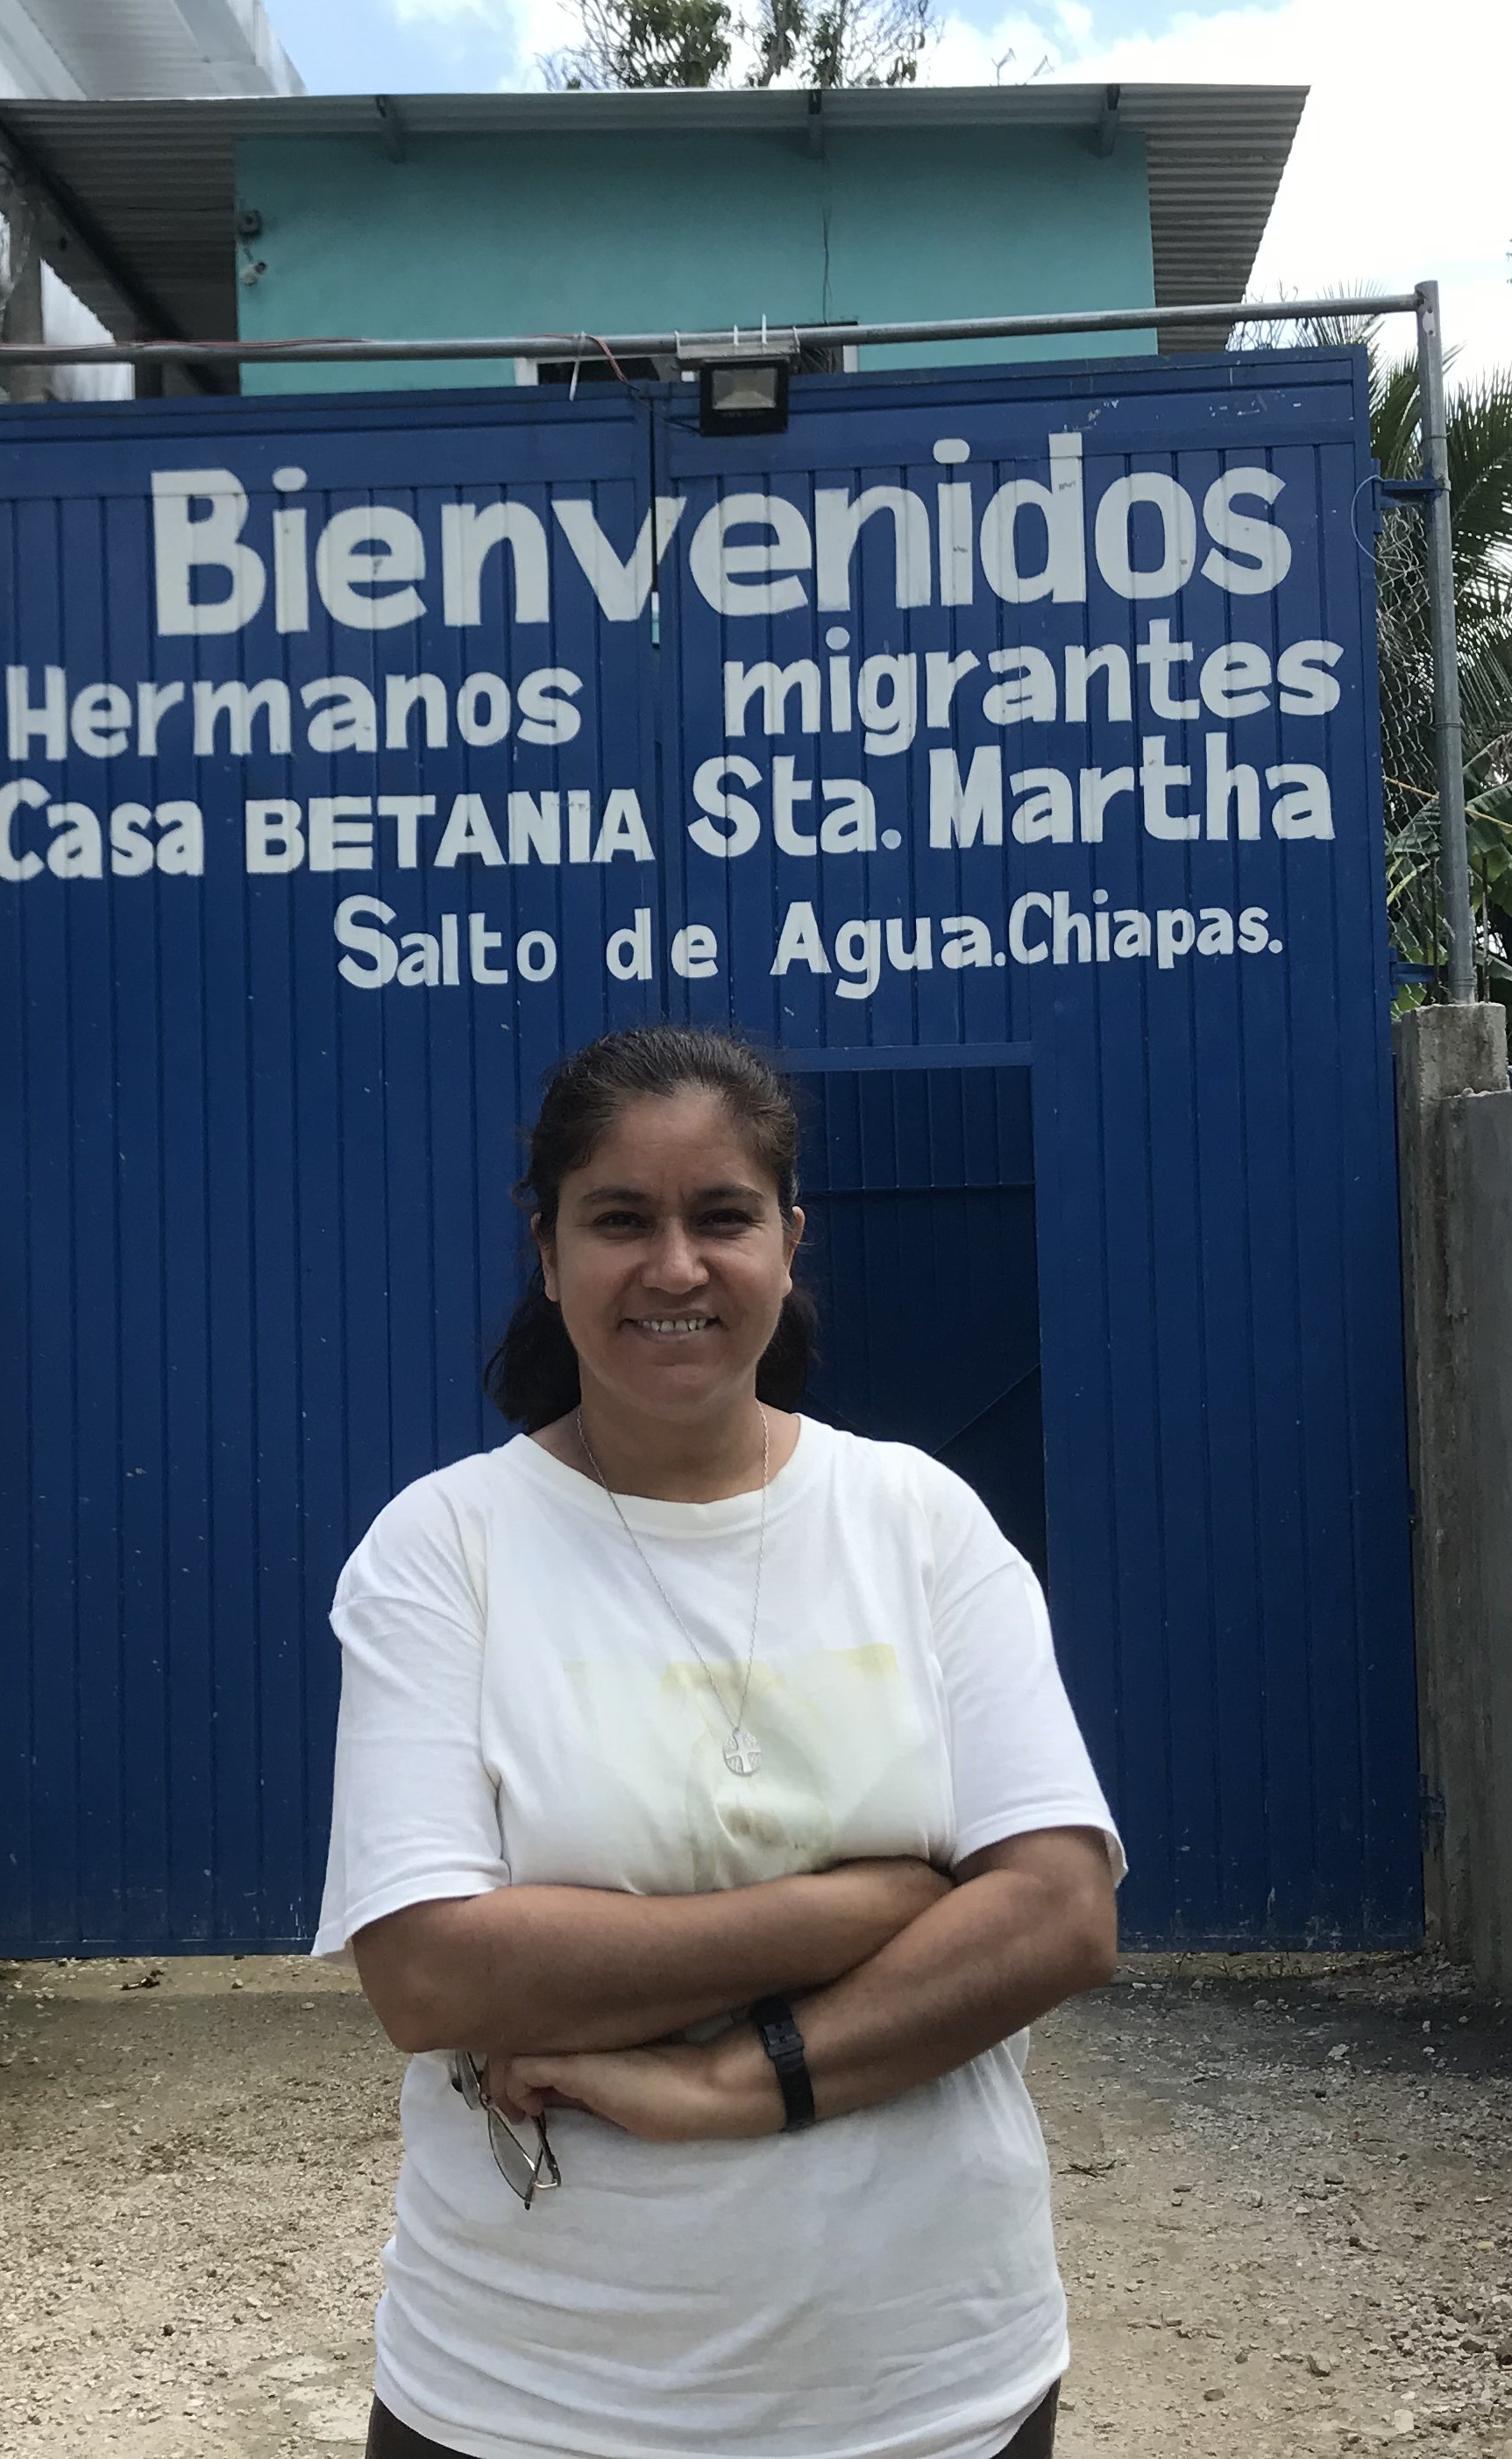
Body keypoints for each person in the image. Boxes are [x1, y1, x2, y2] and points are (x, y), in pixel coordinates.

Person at [314, 1024, 1126, 2459]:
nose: (675, 1266)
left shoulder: (919, 1524)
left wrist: (714, 2085)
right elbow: (432, 1970)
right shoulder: (443, 1552)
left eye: (723, 1217)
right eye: (620, 1218)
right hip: (532, 2397)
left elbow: (1057, 1917)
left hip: (924, 2389)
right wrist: (865, 1907)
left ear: (790, 1242)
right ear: (548, 1251)